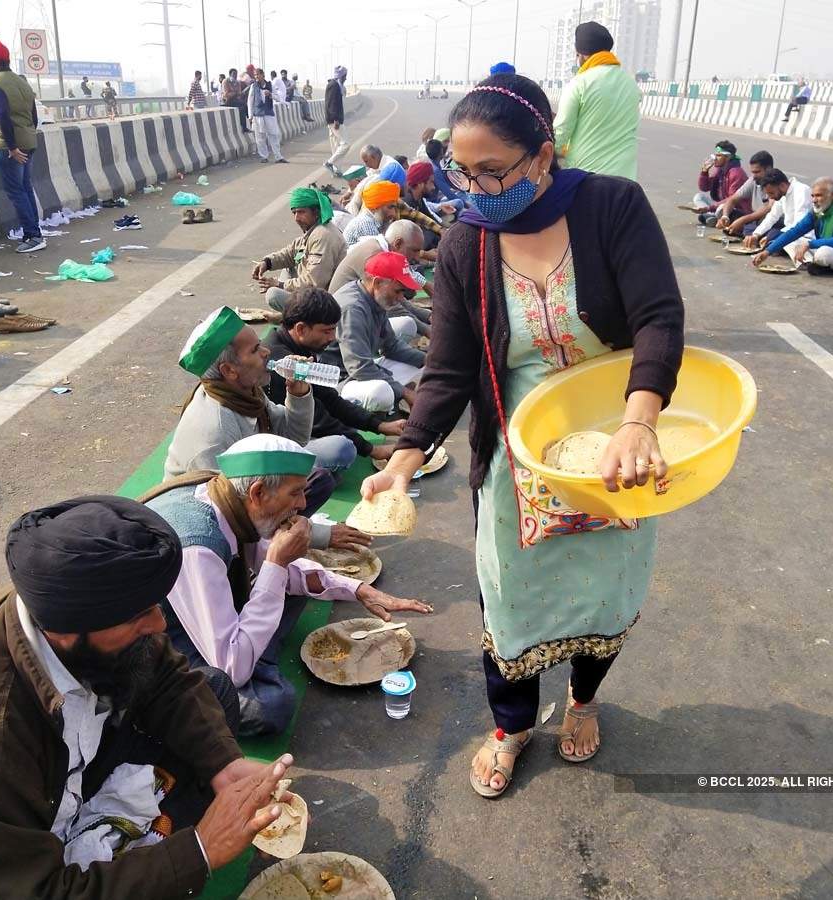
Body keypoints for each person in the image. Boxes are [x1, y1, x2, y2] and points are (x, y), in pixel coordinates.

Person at [364, 73, 684, 798]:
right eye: (462, 172)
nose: (475, 189)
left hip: (614, 445)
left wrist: (639, 420)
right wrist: (407, 455)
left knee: (606, 591)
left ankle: (582, 699)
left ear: (544, 155)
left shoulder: (612, 207)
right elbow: (447, 367)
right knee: (509, 602)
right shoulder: (465, 244)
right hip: (517, 456)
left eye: (493, 171)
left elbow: (660, 317)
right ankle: (511, 725)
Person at [0, 494, 295, 896]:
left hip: (55, 780)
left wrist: (223, 762)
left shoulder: (70, 610)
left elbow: (165, 675)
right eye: (142, 613)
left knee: (212, 691)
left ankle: (134, 839)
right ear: (68, 633)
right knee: (186, 845)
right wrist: (200, 850)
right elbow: (35, 893)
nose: (159, 624)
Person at [145, 435, 430, 737]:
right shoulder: (198, 546)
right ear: (257, 493)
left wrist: (357, 589)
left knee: (293, 584)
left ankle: (257, 649)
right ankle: (254, 657)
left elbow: (274, 565)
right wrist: (277, 564)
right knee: (269, 707)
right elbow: (230, 667)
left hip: (207, 619)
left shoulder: (225, 497)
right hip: (160, 641)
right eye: (295, 493)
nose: (303, 504)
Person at [166, 306, 363, 550]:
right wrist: (319, 536)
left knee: (318, 480)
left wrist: (298, 391)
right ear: (229, 371)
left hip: (249, 491)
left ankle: (285, 535)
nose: (267, 352)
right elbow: (231, 514)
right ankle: (275, 548)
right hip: (207, 525)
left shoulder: (246, 393)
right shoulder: (212, 432)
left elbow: (294, 439)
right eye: (255, 350)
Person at [264, 288, 408, 467]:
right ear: (300, 328)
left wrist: (381, 426)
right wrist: (371, 449)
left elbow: (329, 399)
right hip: (279, 441)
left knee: (349, 420)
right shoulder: (282, 365)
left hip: (305, 423)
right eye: (327, 331)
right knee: (342, 449)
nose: (332, 338)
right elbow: (317, 420)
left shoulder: (301, 349)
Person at [321, 251, 427, 413]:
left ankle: (397, 397)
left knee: (425, 367)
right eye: (398, 291)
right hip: (339, 382)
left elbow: (391, 346)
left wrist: (430, 360)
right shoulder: (353, 308)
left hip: (359, 370)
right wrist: (404, 392)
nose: (401, 298)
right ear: (377, 283)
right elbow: (360, 368)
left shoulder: (374, 296)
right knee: (381, 393)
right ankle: (392, 400)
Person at [552, 21, 641, 179]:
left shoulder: (580, 83)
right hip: (626, 181)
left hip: (587, 179)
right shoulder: (631, 84)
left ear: (583, 54)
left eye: (577, 55)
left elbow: (560, 134)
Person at [0, 39, 45, 254]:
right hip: (29, 140)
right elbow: (34, 115)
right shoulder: (21, 81)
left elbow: (2, 113)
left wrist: (11, 146)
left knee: (15, 191)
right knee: (25, 187)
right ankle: (34, 232)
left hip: (11, 145)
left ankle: (33, 236)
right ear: (7, 59)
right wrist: (27, 137)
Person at [329, 220, 434, 339]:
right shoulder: (375, 255)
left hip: (357, 314)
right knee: (408, 325)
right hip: (343, 324)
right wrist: (426, 330)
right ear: (398, 243)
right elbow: (392, 306)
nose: (416, 257)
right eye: (414, 250)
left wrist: (428, 316)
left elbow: (398, 298)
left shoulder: (381, 248)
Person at [753, 177, 833, 275]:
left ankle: (822, 266)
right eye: (813, 196)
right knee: (792, 240)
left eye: (819, 196)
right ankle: (814, 263)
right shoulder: (818, 210)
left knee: (823, 253)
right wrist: (767, 251)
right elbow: (795, 231)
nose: (814, 200)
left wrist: (810, 244)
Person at [252, 186, 347, 312]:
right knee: (289, 267)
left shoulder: (323, 236)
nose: (296, 218)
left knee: (273, 295)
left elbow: (314, 283)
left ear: (316, 212)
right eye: (294, 213)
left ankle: (295, 319)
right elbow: (291, 253)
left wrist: (280, 285)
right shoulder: (313, 230)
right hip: (312, 292)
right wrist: (267, 263)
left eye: (301, 212)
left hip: (324, 301)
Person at [742, 168, 812, 254]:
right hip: (787, 233)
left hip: (802, 236)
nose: (770, 197)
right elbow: (772, 216)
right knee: (750, 230)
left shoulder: (801, 191)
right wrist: (756, 235)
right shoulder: (782, 194)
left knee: (778, 242)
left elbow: (799, 225)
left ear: (782, 185)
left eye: (771, 193)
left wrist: (774, 237)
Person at [713, 150, 775, 234]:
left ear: (768, 169)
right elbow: (733, 199)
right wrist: (725, 216)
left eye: (757, 172)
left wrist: (742, 220)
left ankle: (743, 230)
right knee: (722, 209)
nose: (754, 176)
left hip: (769, 220)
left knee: (752, 229)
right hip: (753, 217)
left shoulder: (776, 182)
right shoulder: (753, 180)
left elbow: (768, 208)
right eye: (753, 172)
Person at [691, 140, 746, 219]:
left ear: (728, 157)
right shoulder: (719, 169)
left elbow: (733, 200)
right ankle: (712, 216)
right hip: (721, 203)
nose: (715, 159)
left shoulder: (736, 173)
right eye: (715, 155)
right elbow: (704, 188)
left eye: (719, 156)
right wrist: (704, 172)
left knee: (721, 208)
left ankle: (713, 217)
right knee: (699, 197)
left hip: (734, 208)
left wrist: (708, 208)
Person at [343, 180, 401, 247]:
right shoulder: (366, 223)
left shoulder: (375, 221)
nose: (393, 213)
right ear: (376, 207)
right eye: (390, 207)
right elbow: (379, 254)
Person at [248, 68, 287, 163]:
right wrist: (250, 116)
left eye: (258, 74)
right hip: (258, 114)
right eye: (255, 75)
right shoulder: (253, 86)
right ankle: (264, 156)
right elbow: (250, 101)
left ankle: (278, 156)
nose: (256, 77)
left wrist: (270, 94)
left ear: (263, 75)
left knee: (274, 135)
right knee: (260, 137)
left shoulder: (270, 85)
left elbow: (278, 98)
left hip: (269, 113)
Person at [323, 66, 348, 175]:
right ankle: (329, 163)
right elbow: (332, 103)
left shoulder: (335, 85)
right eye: (345, 76)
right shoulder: (334, 86)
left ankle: (336, 170)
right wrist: (336, 119)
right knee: (346, 144)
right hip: (334, 120)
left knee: (336, 146)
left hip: (331, 119)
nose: (346, 78)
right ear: (341, 76)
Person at [222, 68, 249, 133]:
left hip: (235, 100)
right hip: (227, 101)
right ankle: (244, 127)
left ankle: (247, 123)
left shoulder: (237, 82)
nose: (235, 75)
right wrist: (235, 93)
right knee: (242, 107)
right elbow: (226, 95)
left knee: (244, 104)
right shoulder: (225, 81)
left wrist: (239, 93)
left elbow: (239, 93)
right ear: (230, 74)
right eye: (234, 74)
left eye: (236, 74)